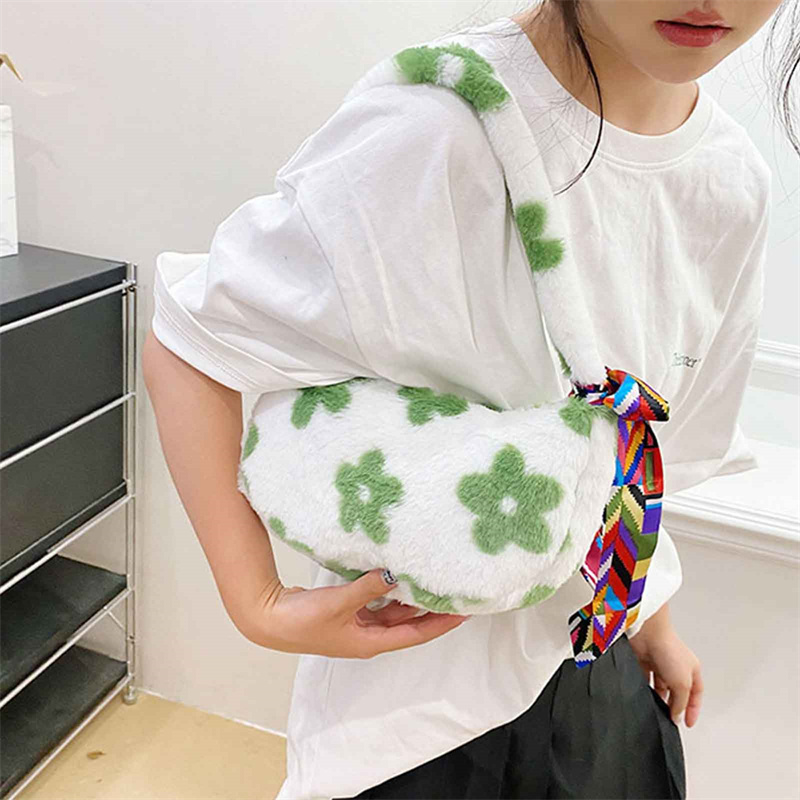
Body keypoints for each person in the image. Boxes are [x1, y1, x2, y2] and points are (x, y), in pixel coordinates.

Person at [143, 1, 796, 797]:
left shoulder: (731, 181)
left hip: (601, 672)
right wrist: (257, 601)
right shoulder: (438, 126)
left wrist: (648, 616)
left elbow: (642, 453)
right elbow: (193, 337)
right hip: (414, 712)